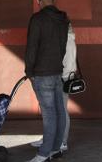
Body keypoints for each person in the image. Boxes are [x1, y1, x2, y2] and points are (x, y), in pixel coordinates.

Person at [21, 0, 70, 162]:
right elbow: (64, 46)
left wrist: (29, 71)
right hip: (57, 70)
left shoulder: (37, 19)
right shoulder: (63, 19)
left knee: (49, 114)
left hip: (42, 73)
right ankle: (56, 149)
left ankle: (43, 155)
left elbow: (32, 47)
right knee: (59, 111)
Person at [31, 21, 76, 154]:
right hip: (64, 76)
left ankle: (62, 141)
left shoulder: (66, 40)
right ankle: (50, 139)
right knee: (57, 109)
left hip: (62, 77)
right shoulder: (70, 38)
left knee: (60, 109)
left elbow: (64, 61)